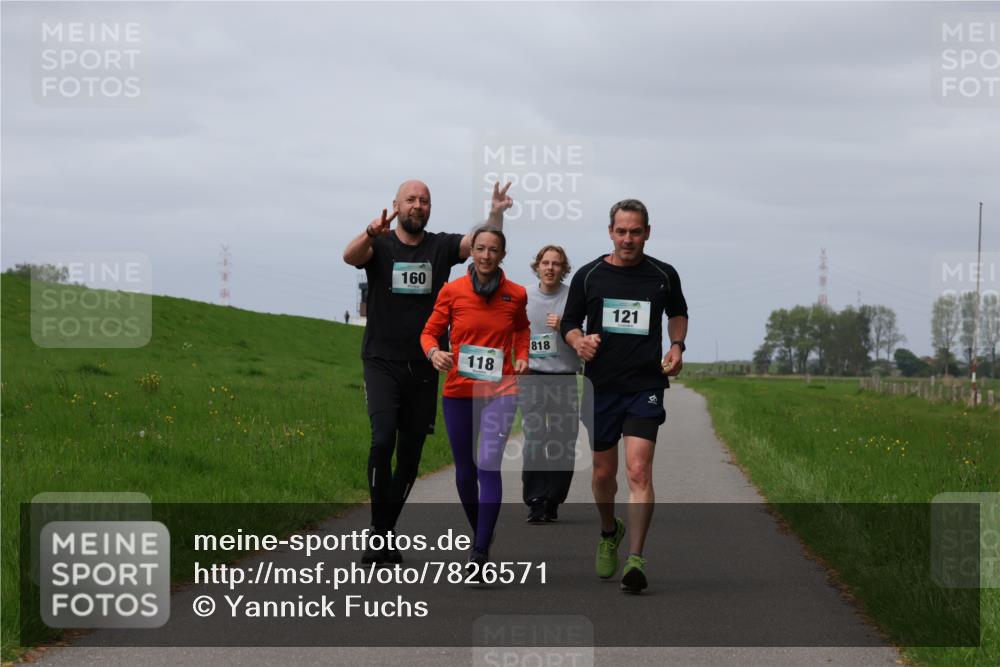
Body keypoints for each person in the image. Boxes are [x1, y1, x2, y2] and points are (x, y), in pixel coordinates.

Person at [342, 179, 513, 564]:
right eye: (411, 199)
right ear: (396, 205)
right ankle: (379, 531)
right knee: (383, 438)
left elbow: (481, 245)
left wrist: (496, 214)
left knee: (410, 454)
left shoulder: (439, 246)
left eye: (424, 200)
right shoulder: (380, 244)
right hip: (381, 360)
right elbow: (349, 257)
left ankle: (384, 535)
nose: (418, 205)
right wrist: (370, 231)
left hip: (425, 362)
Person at [560, 199, 688, 593]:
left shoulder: (663, 275)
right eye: (621, 231)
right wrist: (579, 341)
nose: (628, 239)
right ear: (610, 232)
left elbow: (678, 312)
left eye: (635, 231)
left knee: (638, 471)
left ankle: (636, 558)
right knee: (603, 473)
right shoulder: (589, 275)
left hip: (644, 386)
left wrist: (677, 345)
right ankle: (607, 531)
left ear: (647, 232)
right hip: (601, 388)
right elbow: (568, 322)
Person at [420, 226, 529, 569]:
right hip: (458, 391)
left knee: (488, 465)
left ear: (502, 255)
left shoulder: (517, 294)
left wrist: (522, 354)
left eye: (492, 250)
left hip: (501, 391)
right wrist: (433, 353)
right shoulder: (452, 291)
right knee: (465, 472)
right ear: (472, 252)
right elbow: (429, 332)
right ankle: (482, 531)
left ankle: (479, 551)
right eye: (479, 249)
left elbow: (522, 328)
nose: (485, 256)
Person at [520, 245, 581, 523]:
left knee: (562, 441)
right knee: (534, 437)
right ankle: (535, 499)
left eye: (556, 264)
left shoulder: (573, 298)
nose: (550, 268)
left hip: (564, 376)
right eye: (545, 262)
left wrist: (565, 326)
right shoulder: (525, 297)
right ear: (537, 266)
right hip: (533, 375)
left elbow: (588, 336)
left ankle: (553, 499)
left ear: (564, 269)